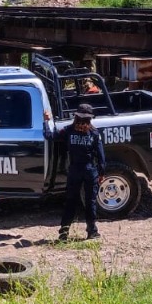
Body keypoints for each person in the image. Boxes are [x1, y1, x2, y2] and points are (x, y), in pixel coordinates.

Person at [56, 103, 107, 241]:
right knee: (90, 202)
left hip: (74, 171)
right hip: (90, 171)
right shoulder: (94, 133)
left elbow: (50, 136)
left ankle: (63, 233)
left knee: (70, 201)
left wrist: (45, 121)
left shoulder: (68, 130)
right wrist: (101, 173)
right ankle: (92, 232)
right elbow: (101, 156)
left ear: (76, 116)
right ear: (90, 119)